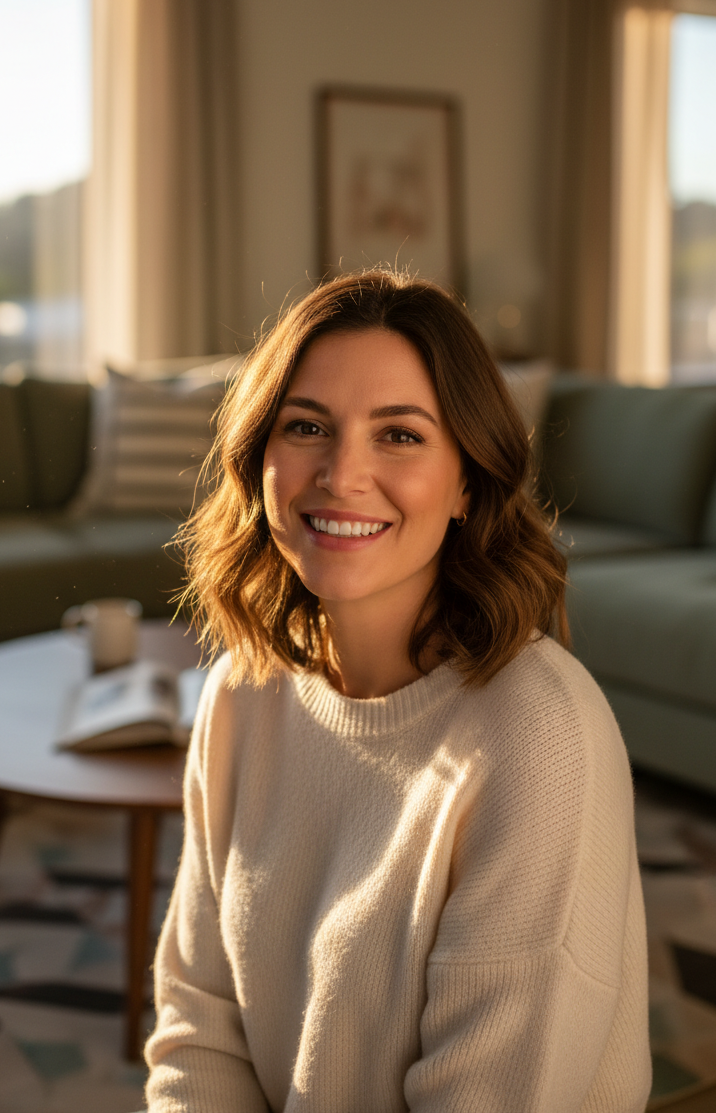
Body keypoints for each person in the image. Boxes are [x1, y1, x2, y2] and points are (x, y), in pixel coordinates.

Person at [145, 270, 652, 1112]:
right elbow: (197, 1021)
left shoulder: (539, 739)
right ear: (259, 456)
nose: (342, 476)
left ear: (467, 481)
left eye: (401, 436)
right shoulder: (244, 691)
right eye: (307, 426)